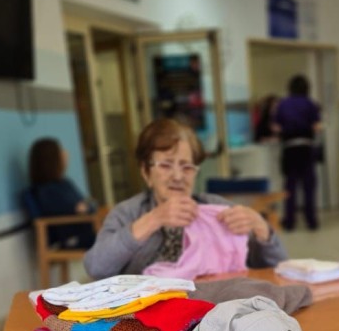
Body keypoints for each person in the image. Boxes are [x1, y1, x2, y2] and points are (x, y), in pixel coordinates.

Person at [84, 119, 287, 278]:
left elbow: (278, 268)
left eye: (187, 167)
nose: (178, 176)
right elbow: (96, 268)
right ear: (146, 172)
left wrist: (261, 228)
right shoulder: (127, 213)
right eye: (166, 165)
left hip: (213, 307)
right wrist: (153, 219)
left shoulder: (218, 210)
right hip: (147, 313)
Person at [27, 137, 97, 249]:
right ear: (51, 159)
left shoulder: (65, 183)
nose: (66, 154)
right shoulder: (45, 191)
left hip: (85, 232)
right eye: (60, 151)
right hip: (70, 238)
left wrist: (85, 208)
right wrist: (84, 208)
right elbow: (77, 209)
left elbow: (87, 206)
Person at [273, 74, 322, 231]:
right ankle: (311, 221)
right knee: (309, 186)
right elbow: (316, 127)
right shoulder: (310, 103)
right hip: (306, 147)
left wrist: (287, 129)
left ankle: (289, 222)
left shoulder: (283, 104)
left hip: (289, 148)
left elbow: (276, 127)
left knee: (290, 186)